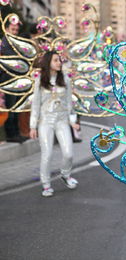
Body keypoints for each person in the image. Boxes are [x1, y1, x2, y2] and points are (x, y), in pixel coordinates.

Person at [29, 51, 79, 197]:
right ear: (48, 63)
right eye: (56, 60)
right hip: (45, 122)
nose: (59, 63)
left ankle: (66, 174)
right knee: (47, 154)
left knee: (68, 153)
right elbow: (35, 105)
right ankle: (46, 184)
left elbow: (69, 102)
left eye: (60, 60)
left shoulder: (65, 79)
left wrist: (73, 121)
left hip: (62, 120)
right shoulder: (40, 81)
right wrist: (33, 126)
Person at [0, 20, 28, 143]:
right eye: (13, 30)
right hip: (8, 79)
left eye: (16, 30)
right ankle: (11, 134)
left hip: (18, 79)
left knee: (17, 106)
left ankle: (16, 133)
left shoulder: (16, 43)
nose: (15, 32)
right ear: (6, 29)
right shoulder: (3, 44)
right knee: (11, 107)